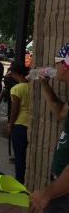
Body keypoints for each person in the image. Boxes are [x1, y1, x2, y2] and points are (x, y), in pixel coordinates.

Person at [30, 43, 69, 213]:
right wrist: (45, 85)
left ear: (66, 64)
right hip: (61, 183)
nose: (55, 65)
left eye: (58, 61)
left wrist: (46, 196)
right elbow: (60, 113)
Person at [6, 62, 30, 184]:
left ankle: (19, 181)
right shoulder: (31, 86)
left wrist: (10, 125)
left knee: (19, 156)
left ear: (15, 73)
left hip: (19, 124)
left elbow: (15, 111)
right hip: (29, 123)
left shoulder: (16, 89)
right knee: (25, 154)